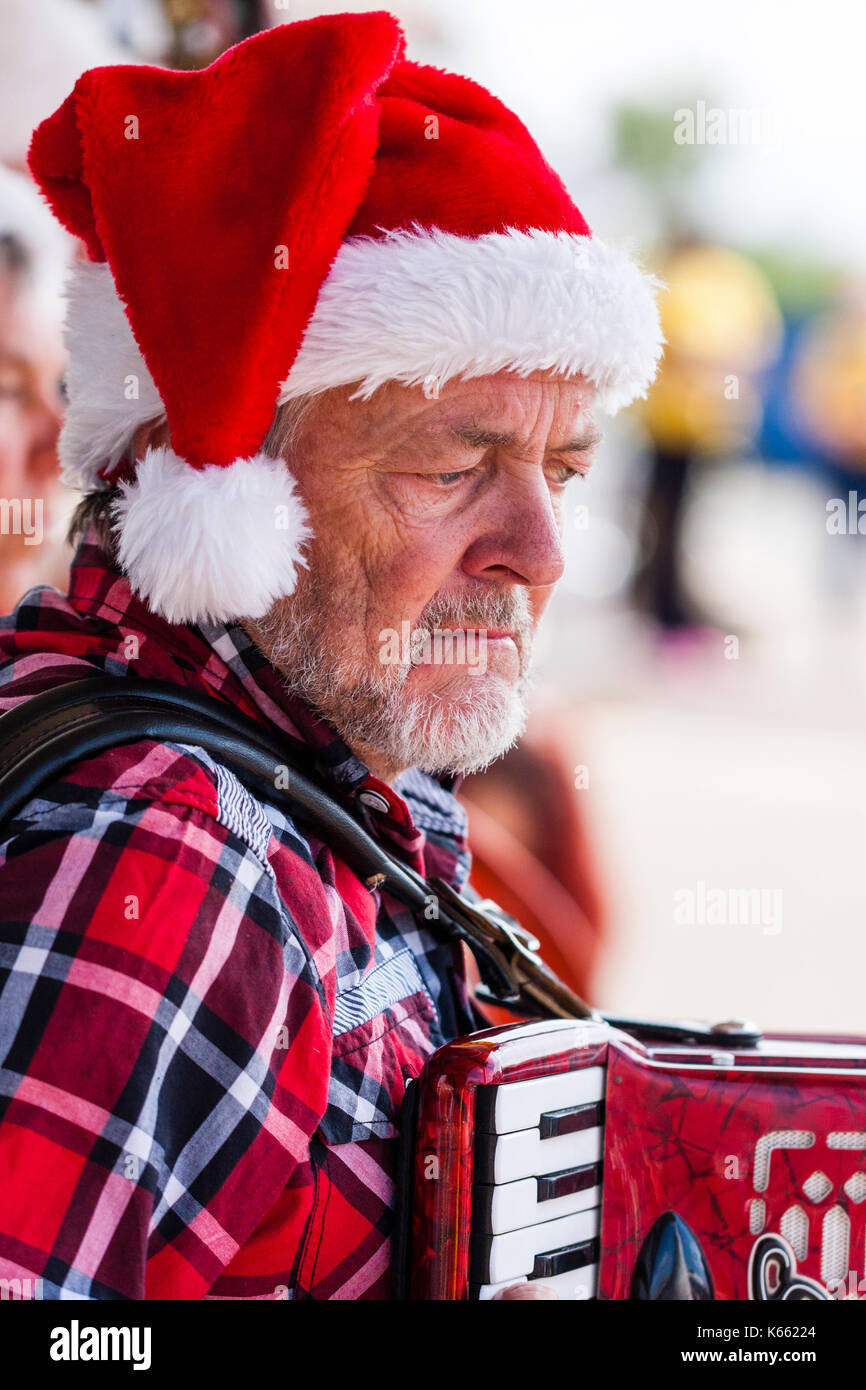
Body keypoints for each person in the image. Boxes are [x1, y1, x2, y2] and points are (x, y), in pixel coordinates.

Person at [0, 12, 661, 1300]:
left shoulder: (348, 760)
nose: (541, 551)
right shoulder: (169, 849)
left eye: (562, 472)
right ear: (225, 490)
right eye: (454, 465)